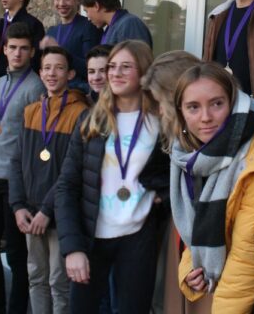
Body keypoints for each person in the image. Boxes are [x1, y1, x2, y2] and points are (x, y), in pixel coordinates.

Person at [55, 40, 169, 314]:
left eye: (126, 67)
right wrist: (73, 248)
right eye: (112, 67)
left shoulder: (162, 122)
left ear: (144, 72)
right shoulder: (91, 120)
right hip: (92, 236)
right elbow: (66, 186)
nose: (115, 73)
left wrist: (161, 195)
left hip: (137, 237)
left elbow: (175, 173)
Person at [170, 62, 254, 312]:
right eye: (193, 107)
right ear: (181, 112)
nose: (206, 117)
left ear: (233, 102)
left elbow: (247, 260)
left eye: (217, 104)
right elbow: (197, 225)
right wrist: (189, 269)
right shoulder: (187, 154)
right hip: (227, 288)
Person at [10, 46, 89, 313]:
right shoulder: (31, 110)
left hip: (59, 213)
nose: (51, 73)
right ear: (40, 73)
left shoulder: (80, 112)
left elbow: (72, 170)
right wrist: (18, 206)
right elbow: (16, 161)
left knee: (59, 282)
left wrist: (47, 210)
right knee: (36, 277)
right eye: (46, 68)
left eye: (59, 68)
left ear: (71, 74)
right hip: (29, 212)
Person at [0, 22, 45, 314]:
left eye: (23, 49)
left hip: (16, 183)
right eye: (13, 47)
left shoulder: (36, 88)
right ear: (4, 50)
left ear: (32, 52)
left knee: (17, 256)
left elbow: (35, 141)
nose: (17, 53)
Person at [140, 50, 202, 314]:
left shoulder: (207, 139)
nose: (159, 111)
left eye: (161, 102)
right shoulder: (180, 138)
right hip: (178, 233)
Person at [41, 0, 102, 93]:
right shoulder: (52, 31)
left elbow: (90, 68)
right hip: (53, 94)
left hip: (79, 94)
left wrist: (60, 50)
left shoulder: (89, 27)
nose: (61, 3)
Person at [77, 0, 153, 47]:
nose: (88, 18)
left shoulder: (130, 24)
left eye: (86, 11)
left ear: (96, 6)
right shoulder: (114, 27)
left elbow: (139, 57)